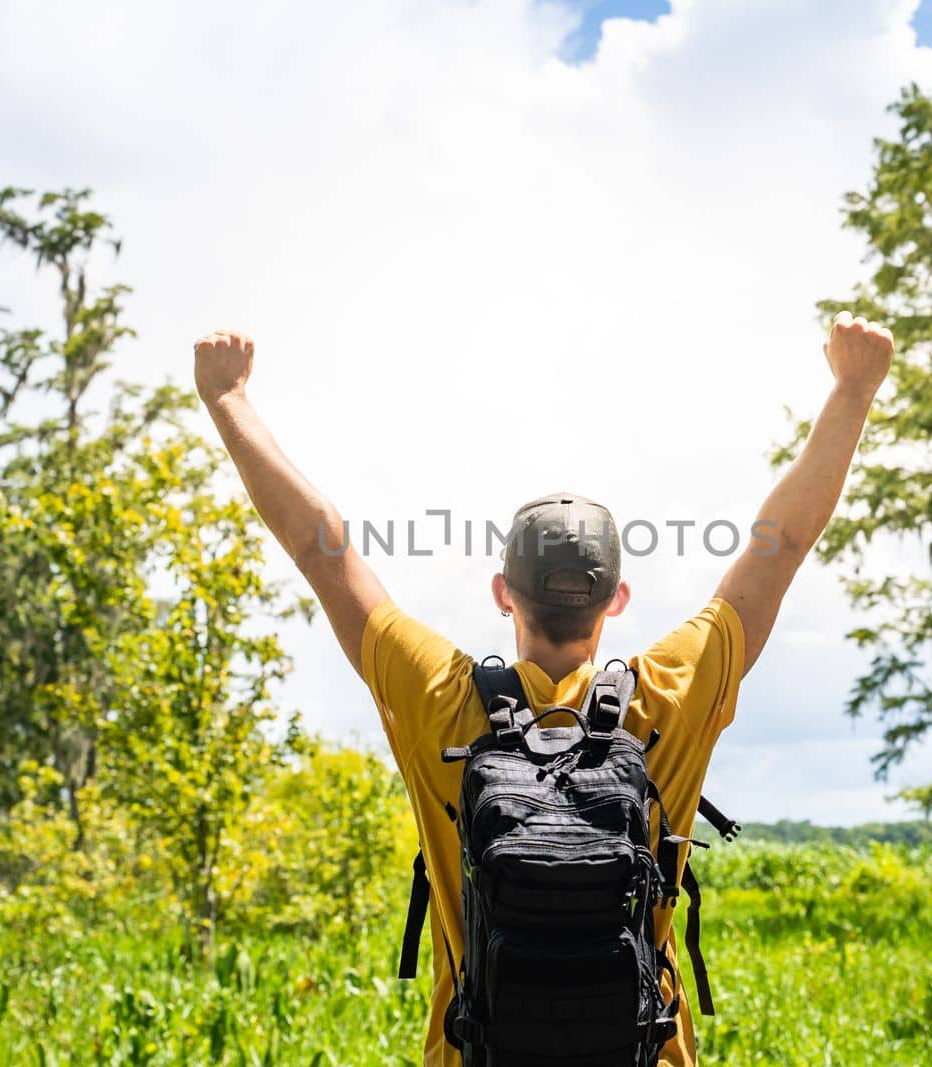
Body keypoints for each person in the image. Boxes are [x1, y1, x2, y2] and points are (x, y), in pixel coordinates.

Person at [193, 312, 894, 1066]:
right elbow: (780, 545)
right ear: (616, 598)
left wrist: (227, 397)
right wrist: (854, 389)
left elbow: (320, 549)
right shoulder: (666, 694)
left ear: (504, 591)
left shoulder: (439, 694)